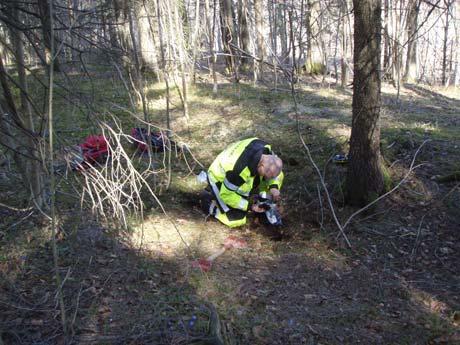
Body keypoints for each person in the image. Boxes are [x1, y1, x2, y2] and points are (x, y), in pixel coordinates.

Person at [200, 138, 284, 227]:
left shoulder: (267, 150)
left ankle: (264, 201)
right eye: (267, 176)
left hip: (239, 168)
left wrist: (274, 187)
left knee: (279, 175)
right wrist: (250, 205)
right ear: (261, 166)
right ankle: (209, 203)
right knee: (236, 219)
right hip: (219, 178)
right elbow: (226, 195)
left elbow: (275, 171)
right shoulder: (238, 171)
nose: (268, 179)